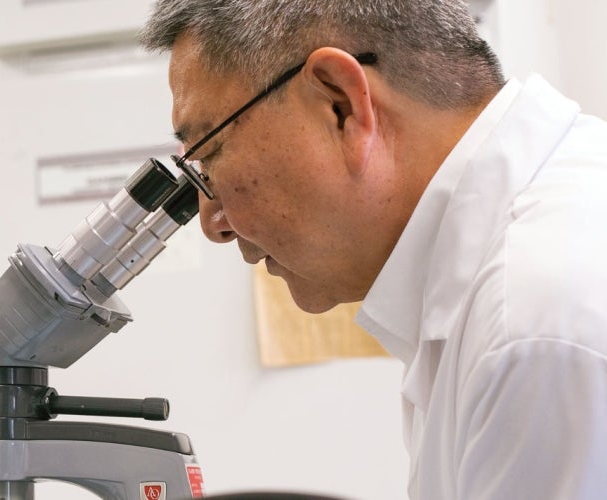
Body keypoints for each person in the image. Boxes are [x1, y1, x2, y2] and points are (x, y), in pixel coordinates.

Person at [140, 1, 607, 498]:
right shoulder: (507, 260)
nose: (213, 224)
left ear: (340, 104)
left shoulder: (535, 324)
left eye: (208, 156)